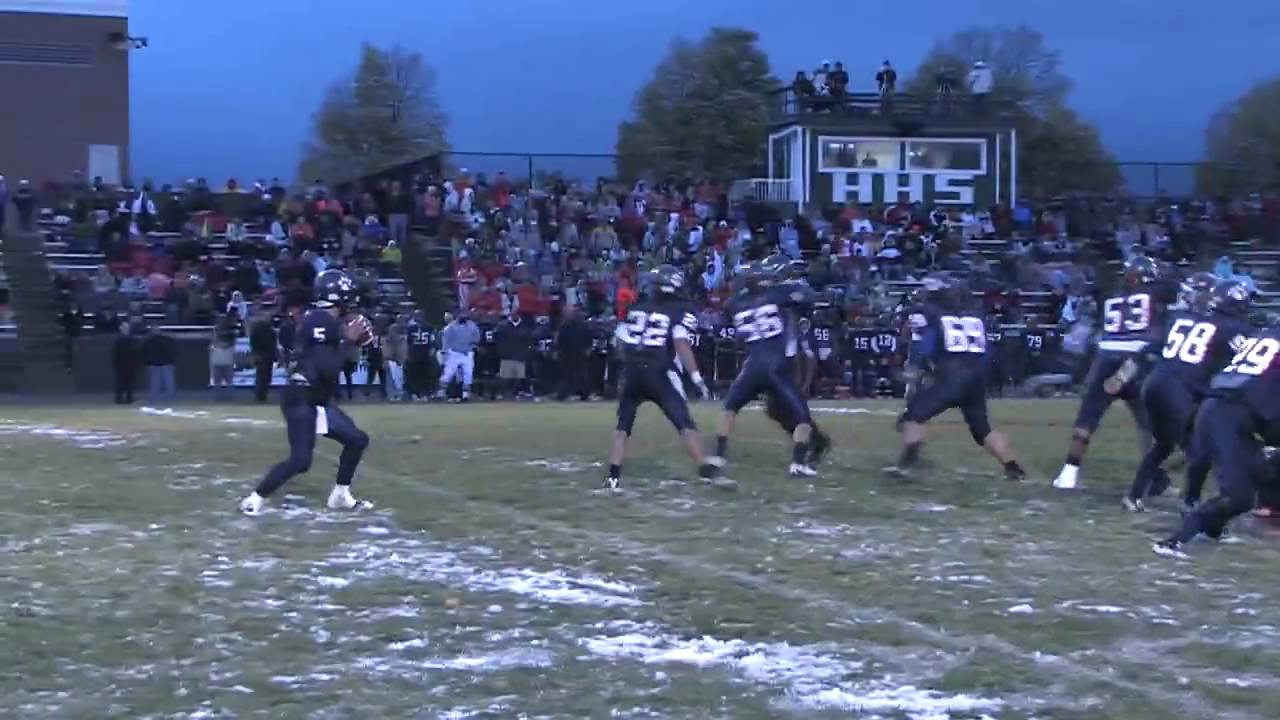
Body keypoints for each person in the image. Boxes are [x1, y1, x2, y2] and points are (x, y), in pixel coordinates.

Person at [239, 269, 373, 515]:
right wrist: (349, 341)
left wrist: (352, 344)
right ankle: (255, 498)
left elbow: (335, 364)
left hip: (314, 397)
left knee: (357, 439)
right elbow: (328, 368)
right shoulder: (321, 320)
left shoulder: (325, 321)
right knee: (301, 461)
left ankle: (341, 494)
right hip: (301, 397)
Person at [1153, 322, 1280, 558]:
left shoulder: (1262, 337)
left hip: (1219, 408)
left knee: (1261, 470)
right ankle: (1173, 541)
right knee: (1238, 496)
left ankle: (1212, 530)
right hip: (1230, 415)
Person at [1124, 276, 1250, 511]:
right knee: (1199, 451)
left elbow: (1153, 348)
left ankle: (1133, 496)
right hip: (1179, 390)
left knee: (1163, 445)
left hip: (1153, 384)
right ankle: (1190, 504)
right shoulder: (1231, 328)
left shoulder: (1182, 318)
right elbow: (1247, 357)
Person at [884, 273, 1025, 480]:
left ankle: (907, 465)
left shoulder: (932, 313)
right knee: (983, 430)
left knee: (912, 418)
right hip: (976, 377)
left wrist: (918, 368)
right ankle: (1013, 467)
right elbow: (988, 350)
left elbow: (925, 344)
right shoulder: (977, 315)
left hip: (951, 375)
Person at [1053, 256, 1175, 489]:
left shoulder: (1112, 297)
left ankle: (1068, 474)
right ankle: (1153, 477)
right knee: (1148, 423)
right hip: (1138, 359)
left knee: (1088, 418)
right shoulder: (1155, 292)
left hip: (1107, 357)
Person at [605, 265, 723, 491]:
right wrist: (697, 378)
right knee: (683, 421)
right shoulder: (681, 309)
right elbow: (680, 343)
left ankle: (613, 475)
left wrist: (627, 364)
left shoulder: (638, 306)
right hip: (659, 370)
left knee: (623, 424)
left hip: (632, 370)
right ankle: (704, 467)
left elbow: (620, 340)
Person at [712, 256, 822, 478]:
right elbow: (810, 298)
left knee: (729, 408)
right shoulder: (777, 294)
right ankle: (798, 463)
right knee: (802, 417)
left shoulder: (733, 305)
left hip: (751, 364)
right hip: (776, 365)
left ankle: (719, 455)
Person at [436, 310, 480, 401]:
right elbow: (446, 340)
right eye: (461, 314)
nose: (463, 316)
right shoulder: (451, 327)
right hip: (454, 353)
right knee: (448, 374)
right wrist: (445, 352)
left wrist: (472, 345)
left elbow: (477, 338)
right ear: (456, 315)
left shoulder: (472, 325)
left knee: (468, 374)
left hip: (467, 353)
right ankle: (440, 394)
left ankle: (465, 395)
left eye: (464, 314)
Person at [248, 309, 278, 403]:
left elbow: (273, 343)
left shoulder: (270, 329)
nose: (267, 318)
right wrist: (255, 354)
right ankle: (259, 396)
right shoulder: (257, 329)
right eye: (265, 316)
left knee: (267, 377)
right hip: (260, 355)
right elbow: (253, 342)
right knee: (261, 376)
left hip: (269, 355)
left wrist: (275, 355)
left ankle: (263, 396)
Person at [111, 322, 139, 404]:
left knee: (130, 383)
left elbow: (136, 352)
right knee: (119, 382)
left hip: (130, 364)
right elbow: (115, 353)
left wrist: (136, 363)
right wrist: (115, 363)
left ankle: (129, 398)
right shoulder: (117, 339)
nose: (126, 329)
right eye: (124, 327)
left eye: (127, 327)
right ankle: (118, 399)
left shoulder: (133, 339)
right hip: (120, 364)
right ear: (121, 328)